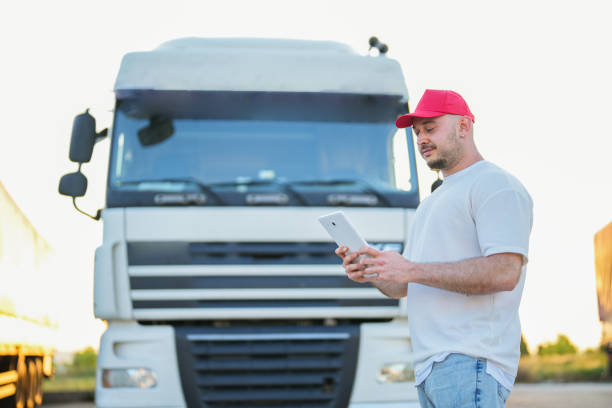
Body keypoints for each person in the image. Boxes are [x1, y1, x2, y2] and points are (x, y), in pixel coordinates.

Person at [335, 89, 533, 407]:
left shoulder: (495, 185)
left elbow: (504, 272)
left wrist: (411, 268)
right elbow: (404, 285)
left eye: (431, 128)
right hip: (429, 369)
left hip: (471, 361)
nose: (421, 139)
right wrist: (372, 269)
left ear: (464, 127)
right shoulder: (432, 203)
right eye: (417, 132)